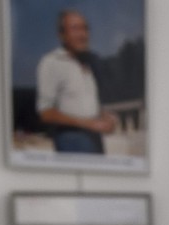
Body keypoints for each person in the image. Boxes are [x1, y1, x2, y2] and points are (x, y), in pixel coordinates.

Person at [36, 10, 116, 154]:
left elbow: (82, 102)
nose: (82, 34)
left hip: (95, 138)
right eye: (75, 29)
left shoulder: (89, 61)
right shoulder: (51, 62)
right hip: (70, 139)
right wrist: (89, 123)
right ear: (62, 35)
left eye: (85, 28)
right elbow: (45, 112)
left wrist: (105, 117)